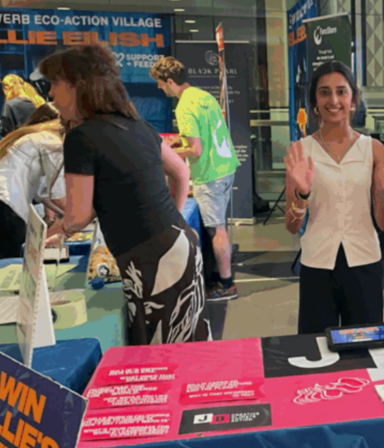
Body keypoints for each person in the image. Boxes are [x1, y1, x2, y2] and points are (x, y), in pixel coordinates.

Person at [39, 44, 210, 345]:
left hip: (151, 260)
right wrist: (169, 219)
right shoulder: (137, 125)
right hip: (179, 245)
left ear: (78, 85)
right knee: (186, 344)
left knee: (160, 352)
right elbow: (180, 174)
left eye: (55, 83)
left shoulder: (81, 138)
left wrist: (57, 231)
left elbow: (78, 216)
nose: (50, 94)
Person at [284, 61, 384, 334]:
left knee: (366, 344)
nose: (333, 100)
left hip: (364, 262)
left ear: (353, 100)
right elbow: (292, 226)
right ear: (315, 102)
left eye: (341, 92)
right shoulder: (301, 151)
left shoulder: (374, 149)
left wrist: (381, 191)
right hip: (317, 263)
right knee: (316, 345)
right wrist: (302, 194)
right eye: (324, 92)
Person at [150, 57, 240, 302]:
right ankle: (220, 276)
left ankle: (227, 285)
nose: (159, 87)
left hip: (210, 173)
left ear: (170, 81)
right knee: (217, 226)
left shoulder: (184, 106)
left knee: (216, 229)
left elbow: (195, 150)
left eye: (160, 83)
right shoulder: (203, 96)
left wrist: (166, 152)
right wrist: (180, 144)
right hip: (225, 166)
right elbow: (205, 134)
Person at [0, 120, 65, 272]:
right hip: (1, 206)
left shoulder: (35, 137)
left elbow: (43, 193)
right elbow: (58, 196)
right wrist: (87, 215)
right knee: (9, 272)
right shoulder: (53, 144)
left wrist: (69, 214)